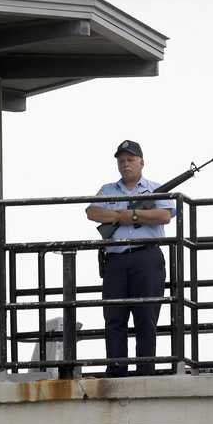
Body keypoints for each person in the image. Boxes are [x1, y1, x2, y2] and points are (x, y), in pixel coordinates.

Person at [85, 140, 175, 377]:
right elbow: (92, 212)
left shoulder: (156, 188)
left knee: (146, 317)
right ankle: (116, 372)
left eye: (130, 160)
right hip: (116, 260)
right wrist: (118, 216)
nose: (125, 164)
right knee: (114, 318)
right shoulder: (108, 190)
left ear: (141, 162)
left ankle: (145, 372)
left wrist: (133, 215)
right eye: (121, 160)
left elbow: (164, 215)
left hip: (147, 256)